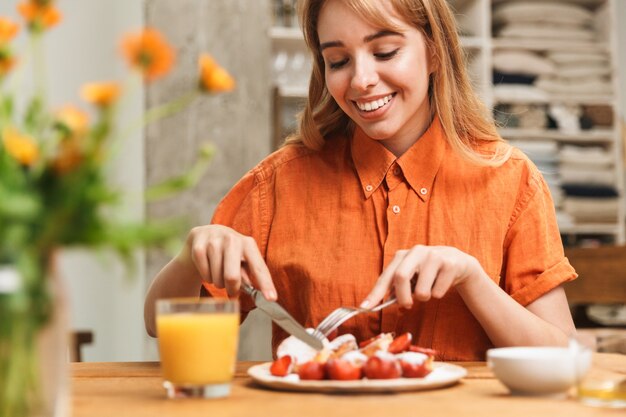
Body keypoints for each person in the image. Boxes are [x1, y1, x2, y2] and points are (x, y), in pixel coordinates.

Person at [144, 0, 577, 360]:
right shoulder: (279, 183)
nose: (362, 80)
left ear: (434, 51)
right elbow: (159, 329)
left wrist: (472, 279)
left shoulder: (511, 179)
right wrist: (190, 257)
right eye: (338, 60)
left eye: (385, 52)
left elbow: (563, 355)